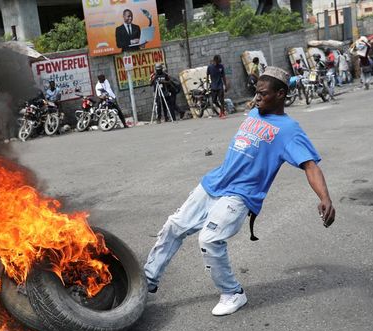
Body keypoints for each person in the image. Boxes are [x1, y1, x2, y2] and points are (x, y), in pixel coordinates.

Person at [143, 66, 335, 316]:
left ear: (280, 94)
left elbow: (310, 165)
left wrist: (325, 197)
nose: (256, 98)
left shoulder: (289, 130)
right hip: (215, 182)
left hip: (240, 195)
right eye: (256, 92)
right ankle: (147, 281)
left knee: (209, 240)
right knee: (173, 226)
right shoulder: (256, 111)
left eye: (263, 94)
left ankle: (233, 293)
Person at [206, 54, 228, 119]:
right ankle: (221, 109)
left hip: (220, 85)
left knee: (221, 99)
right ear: (215, 60)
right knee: (214, 100)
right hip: (213, 86)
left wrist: (225, 85)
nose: (219, 63)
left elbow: (223, 76)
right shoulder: (210, 67)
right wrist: (207, 86)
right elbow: (207, 76)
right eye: (218, 61)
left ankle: (222, 113)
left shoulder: (221, 66)